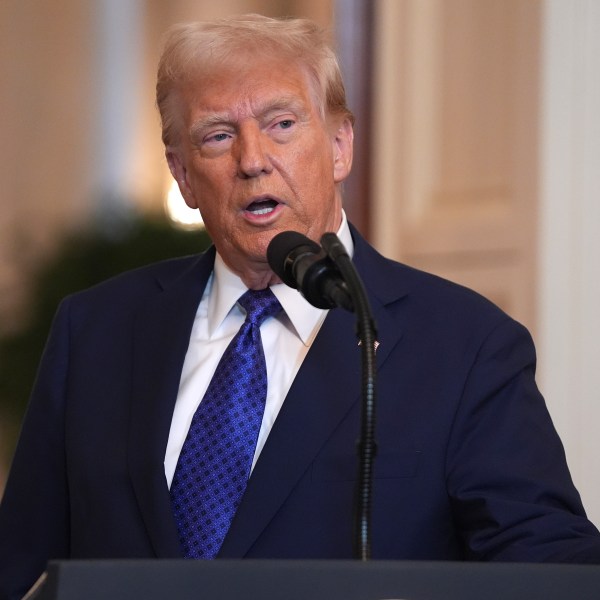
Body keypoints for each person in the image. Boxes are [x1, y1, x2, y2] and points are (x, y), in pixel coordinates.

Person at [1, 12, 600, 600]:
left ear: (340, 146)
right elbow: (19, 565)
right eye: (217, 135)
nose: (253, 159)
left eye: (282, 123)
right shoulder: (96, 330)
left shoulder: (465, 345)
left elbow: (549, 564)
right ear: (182, 174)